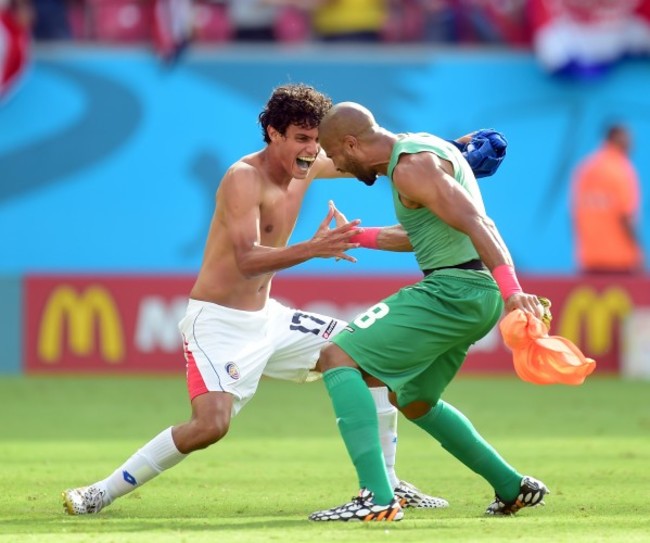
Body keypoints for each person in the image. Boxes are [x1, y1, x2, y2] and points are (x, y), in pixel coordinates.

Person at [62, 84, 505, 516]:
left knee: (364, 357)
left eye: (316, 140)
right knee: (210, 426)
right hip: (219, 321)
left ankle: (386, 486)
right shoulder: (243, 178)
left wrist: (455, 149)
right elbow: (247, 260)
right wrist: (316, 248)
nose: (313, 150)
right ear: (273, 134)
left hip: (270, 319)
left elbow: (370, 151)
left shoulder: (308, 165)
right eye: (302, 139)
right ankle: (100, 492)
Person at [308, 101, 549, 522]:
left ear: (351, 142)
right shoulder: (423, 151)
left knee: (337, 356)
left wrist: (515, 292)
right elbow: (420, 231)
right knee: (414, 399)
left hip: (454, 289)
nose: (339, 166)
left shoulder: (411, 167)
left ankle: (377, 499)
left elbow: (479, 223)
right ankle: (512, 486)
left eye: (337, 156)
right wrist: (356, 237)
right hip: (474, 294)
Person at [571, 123, 644, 274]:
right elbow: (626, 217)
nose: (631, 143)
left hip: (589, 259)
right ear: (616, 138)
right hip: (619, 261)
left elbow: (575, 215)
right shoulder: (620, 169)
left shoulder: (586, 168)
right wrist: (639, 252)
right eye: (627, 137)